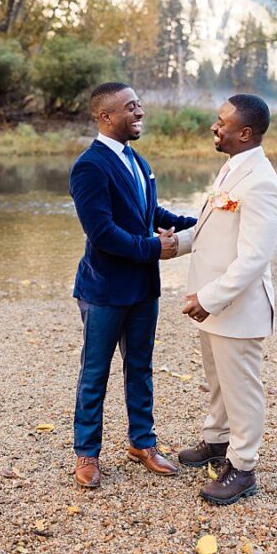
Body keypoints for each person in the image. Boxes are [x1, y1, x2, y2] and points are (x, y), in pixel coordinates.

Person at [67, 82, 197, 489]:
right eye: (130, 107)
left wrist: (204, 224)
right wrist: (153, 248)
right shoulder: (89, 166)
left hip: (144, 288)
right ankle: (87, 454)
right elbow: (102, 232)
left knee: (140, 369)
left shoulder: (138, 161)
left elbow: (151, 211)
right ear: (105, 117)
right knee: (95, 372)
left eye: (140, 104)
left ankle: (143, 443)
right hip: (104, 289)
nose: (140, 112)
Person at [172, 94, 277, 505]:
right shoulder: (231, 169)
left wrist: (210, 298)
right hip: (210, 304)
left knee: (242, 389)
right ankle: (217, 441)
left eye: (221, 122)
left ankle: (243, 467)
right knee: (218, 382)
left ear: (245, 132)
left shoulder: (262, 183)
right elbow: (210, 228)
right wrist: (176, 244)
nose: (213, 127)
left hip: (235, 308)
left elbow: (254, 258)